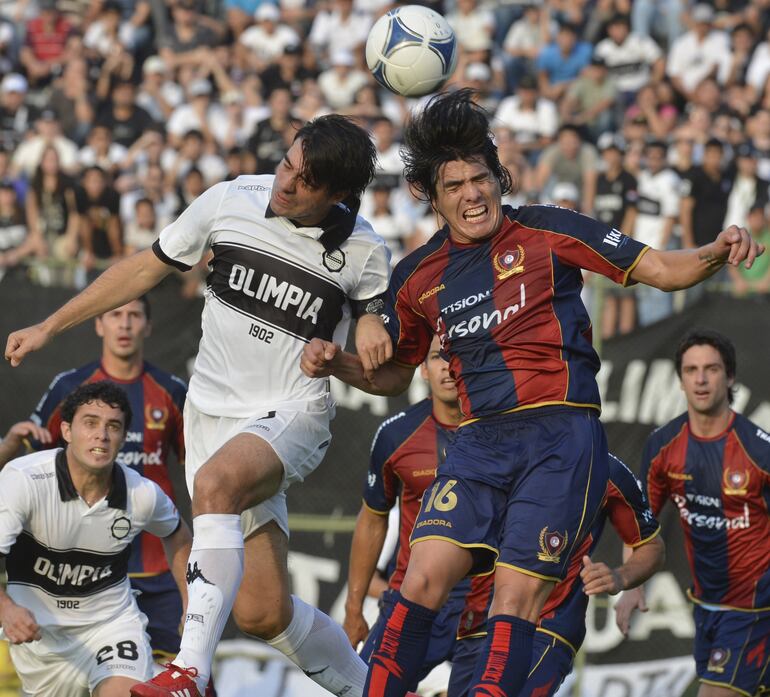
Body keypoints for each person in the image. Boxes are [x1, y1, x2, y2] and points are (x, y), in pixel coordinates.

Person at [300, 89, 764, 697]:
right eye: (456, 186)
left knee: (515, 601)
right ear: (434, 201)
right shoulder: (417, 275)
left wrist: (716, 250)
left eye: (482, 178)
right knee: (420, 580)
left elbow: (663, 269)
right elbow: (392, 376)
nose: (473, 194)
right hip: (478, 441)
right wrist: (338, 363)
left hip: (560, 439)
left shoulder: (550, 230)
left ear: (500, 177)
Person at [5, 113, 392, 697]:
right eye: (287, 163)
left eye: (305, 181)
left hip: (291, 411)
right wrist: (51, 325)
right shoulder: (232, 198)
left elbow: (387, 375)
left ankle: (188, 672)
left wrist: (353, 348)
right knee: (263, 612)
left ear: (336, 193)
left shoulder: (364, 250)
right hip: (214, 414)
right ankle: (376, 692)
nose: (285, 182)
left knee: (215, 484)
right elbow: (143, 268)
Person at [0, 296, 189, 669]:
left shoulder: (171, 390)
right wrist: (10, 443)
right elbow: (33, 459)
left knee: (177, 676)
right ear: (98, 325)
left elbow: (196, 470)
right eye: (115, 314)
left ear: (148, 327)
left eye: (134, 316)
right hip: (76, 570)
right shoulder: (69, 387)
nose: (125, 324)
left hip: (155, 569)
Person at [617, 329, 770, 697]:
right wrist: (632, 585)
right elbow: (641, 524)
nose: (701, 379)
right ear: (681, 380)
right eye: (691, 370)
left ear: (730, 377)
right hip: (706, 607)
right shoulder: (662, 446)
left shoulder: (758, 452)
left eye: (711, 369)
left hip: (756, 611)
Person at [447, 453, 664, 697]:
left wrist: (621, 577)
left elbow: (650, 546)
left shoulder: (606, 469)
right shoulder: (491, 451)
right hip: (479, 623)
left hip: (547, 628)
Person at [344, 336, 464, 691]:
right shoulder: (396, 435)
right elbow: (372, 520)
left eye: (458, 355)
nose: (448, 366)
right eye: (439, 357)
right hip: (411, 598)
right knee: (364, 688)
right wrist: (353, 610)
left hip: (482, 602)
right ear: (423, 369)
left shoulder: (505, 434)